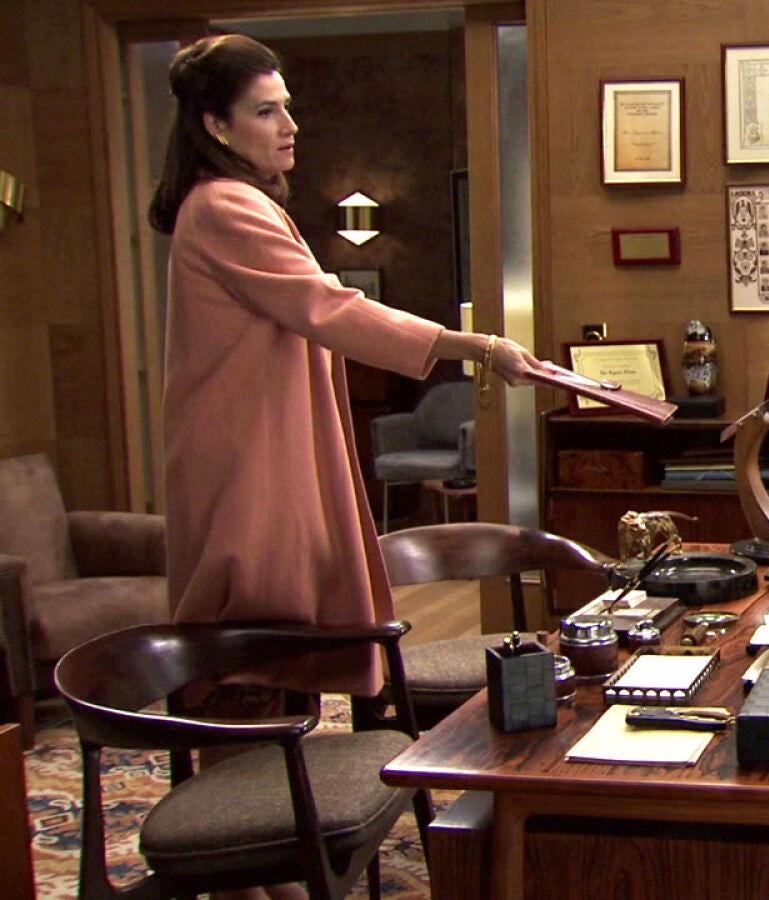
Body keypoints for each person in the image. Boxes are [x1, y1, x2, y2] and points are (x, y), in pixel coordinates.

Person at [148, 35, 547, 742]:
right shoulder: (223, 206)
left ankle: (280, 784)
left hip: (265, 445)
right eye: (266, 111)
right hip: (244, 454)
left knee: (283, 633)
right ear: (216, 126)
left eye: (286, 107)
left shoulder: (237, 202)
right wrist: (477, 347)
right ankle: (253, 798)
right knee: (253, 636)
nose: (290, 125)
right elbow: (329, 308)